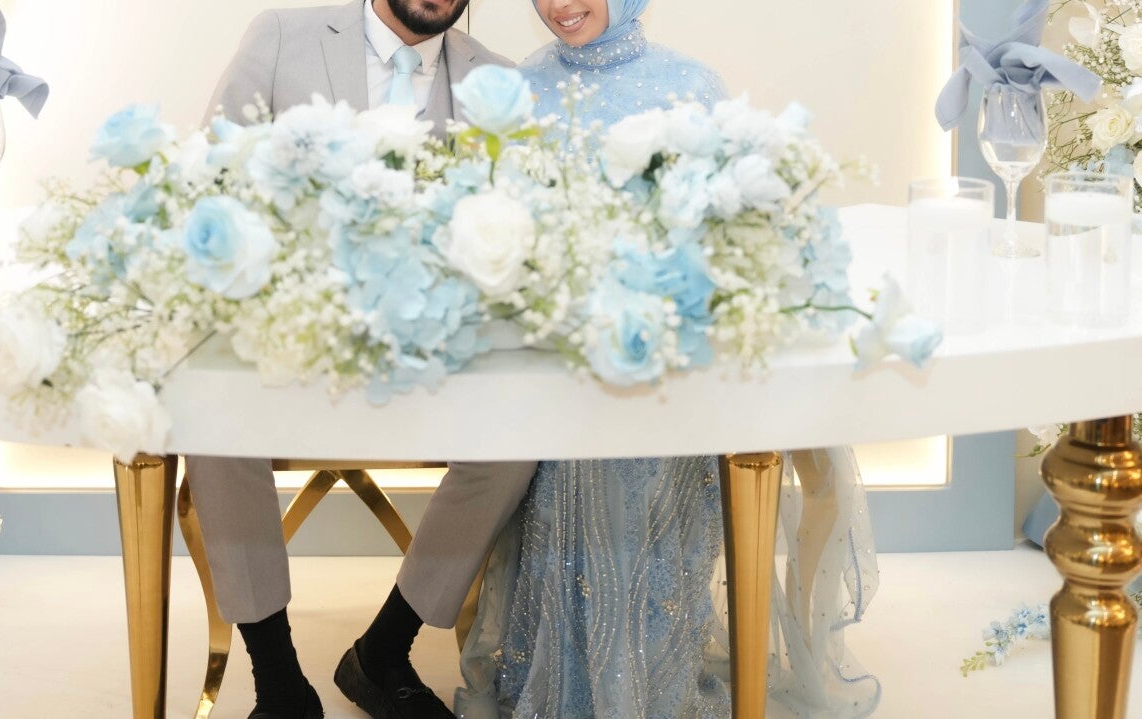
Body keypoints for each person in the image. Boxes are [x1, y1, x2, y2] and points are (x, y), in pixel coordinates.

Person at [454, 2, 883, 717]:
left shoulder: (691, 86)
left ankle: (649, 682)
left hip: (669, 370)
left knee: (643, 454)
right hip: (559, 365)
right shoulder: (517, 91)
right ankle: (577, 686)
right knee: (575, 450)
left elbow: (729, 240)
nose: (559, 5)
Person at [193, 3, 533, 719]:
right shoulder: (281, 37)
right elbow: (211, 180)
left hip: (431, 356)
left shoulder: (499, 80)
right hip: (292, 344)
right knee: (210, 416)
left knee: (518, 437)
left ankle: (383, 650)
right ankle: (277, 679)